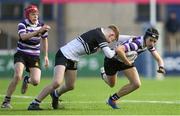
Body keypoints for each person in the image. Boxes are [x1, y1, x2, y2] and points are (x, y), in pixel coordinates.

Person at [27, 25, 120, 110]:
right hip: (64, 54)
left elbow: (110, 44)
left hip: (73, 59)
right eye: (112, 40)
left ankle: (55, 94)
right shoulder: (99, 34)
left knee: (70, 85)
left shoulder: (99, 35)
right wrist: (118, 50)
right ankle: (34, 103)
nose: (109, 42)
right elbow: (109, 54)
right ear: (111, 34)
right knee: (56, 82)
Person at [100, 27, 166, 109]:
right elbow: (119, 50)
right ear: (145, 37)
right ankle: (103, 73)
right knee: (111, 84)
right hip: (113, 60)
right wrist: (127, 61)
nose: (152, 43)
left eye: (154, 41)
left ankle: (112, 100)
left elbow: (158, 58)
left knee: (136, 84)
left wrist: (161, 67)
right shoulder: (137, 43)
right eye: (151, 40)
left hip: (126, 60)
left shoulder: (149, 45)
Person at [1, 4, 50, 109]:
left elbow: (45, 40)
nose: (35, 16)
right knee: (18, 76)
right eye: (33, 14)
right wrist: (38, 31)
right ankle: (6, 101)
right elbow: (23, 37)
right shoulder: (22, 24)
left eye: (36, 14)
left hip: (34, 56)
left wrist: (45, 56)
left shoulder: (41, 25)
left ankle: (27, 80)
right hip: (22, 54)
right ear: (28, 15)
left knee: (36, 81)